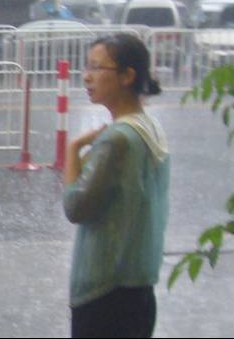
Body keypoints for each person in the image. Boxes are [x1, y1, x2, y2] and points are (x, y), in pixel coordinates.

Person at [64, 34, 170, 338]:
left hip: (104, 291)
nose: (87, 76)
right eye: (87, 67)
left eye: (98, 68)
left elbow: (75, 206)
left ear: (127, 76)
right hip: (138, 288)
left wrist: (73, 151)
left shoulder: (117, 138)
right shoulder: (148, 128)